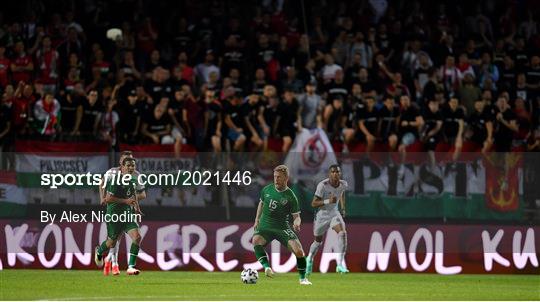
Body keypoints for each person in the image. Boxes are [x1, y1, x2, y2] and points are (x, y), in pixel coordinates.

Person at [252, 165, 311, 285]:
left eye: (279, 177)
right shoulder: (267, 190)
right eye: (274, 177)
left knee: (299, 251)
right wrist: (257, 220)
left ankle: (303, 279)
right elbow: (261, 204)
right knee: (256, 240)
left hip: (282, 227)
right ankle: (267, 267)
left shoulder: (291, 197)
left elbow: (297, 217)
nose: (276, 179)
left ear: (286, 178)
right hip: (266, 226)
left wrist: (296, 223)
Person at [95, 157, 146, 275]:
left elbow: (133, 195)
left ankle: (131, 267)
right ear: (122, 167)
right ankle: (99, 251)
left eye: (133, 165)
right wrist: (125, 201)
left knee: (137, 237)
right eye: (128, 165)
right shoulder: (115, 180)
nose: (131, 168)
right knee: (111, 243)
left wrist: (137, 208)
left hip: (127, 214)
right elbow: (108, 199)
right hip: (114, 215)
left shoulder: (133, 180)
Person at [306, 165, 349, 276]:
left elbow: (341, 193)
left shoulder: (343, 184)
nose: (335, 174)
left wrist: (343, 208)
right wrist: (327, 201)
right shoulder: (322, 185)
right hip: (322, 215)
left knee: (342, 233)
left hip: (334, 213)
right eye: (333, 172)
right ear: (329, 174)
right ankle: (309, 259)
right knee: (317, 242)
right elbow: (313, 203)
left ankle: (340, 264)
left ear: (340, 174)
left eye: (337, 172)